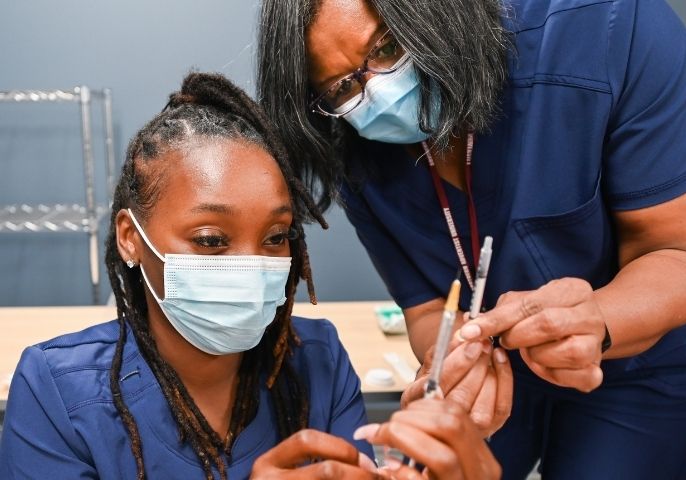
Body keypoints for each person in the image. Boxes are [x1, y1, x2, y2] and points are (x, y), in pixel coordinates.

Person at [256, 0, 686, 478]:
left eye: (388, 48)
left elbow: (681, 253)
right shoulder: (351, 147)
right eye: (342, 87)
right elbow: (426, 307)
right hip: (495, 368)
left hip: (648, 364)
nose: (378, 94)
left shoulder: (607, 32)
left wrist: (598, 319)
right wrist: (449, 356)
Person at [0, 72, 505, 480]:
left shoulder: (319, 364)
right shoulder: (57, 394)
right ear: (131, 237)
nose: (252, 264)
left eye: (276, 237)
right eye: (211, 240)